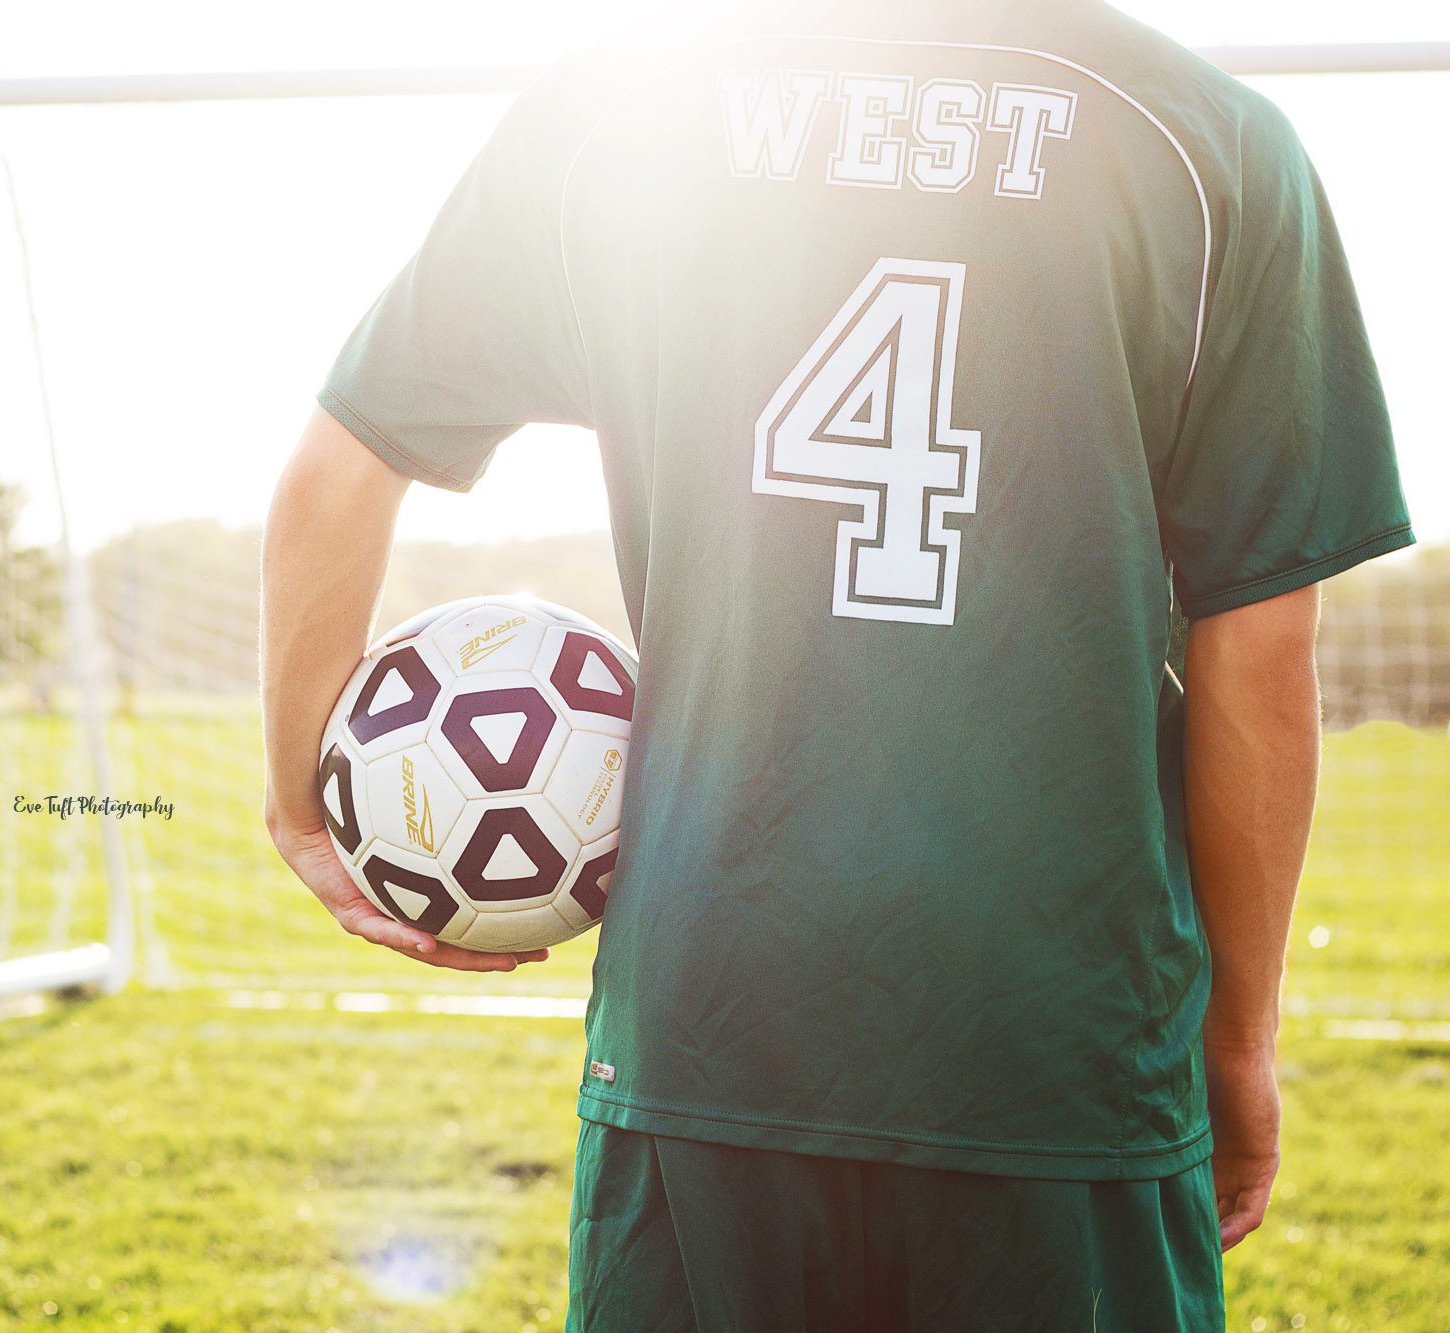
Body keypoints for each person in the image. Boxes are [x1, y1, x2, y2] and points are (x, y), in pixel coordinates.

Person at [258, 0, 1413, 1326]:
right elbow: (1262, 653)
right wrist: (1240, 1041)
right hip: (1059, 1036)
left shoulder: (623, 107)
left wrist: (306, 803)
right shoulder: (1213, 142)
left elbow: (340, 466)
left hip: (709, 1023)